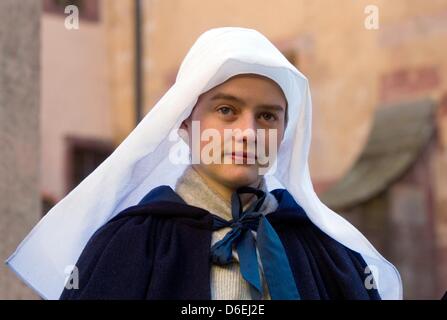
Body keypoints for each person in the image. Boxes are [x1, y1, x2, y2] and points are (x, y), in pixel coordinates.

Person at [6, 27, 402, 300]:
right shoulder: (131, 246)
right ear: (185, 121)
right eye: (227, 110)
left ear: (283, 132)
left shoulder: (324, 250)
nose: (248, 132)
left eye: (267, 116)